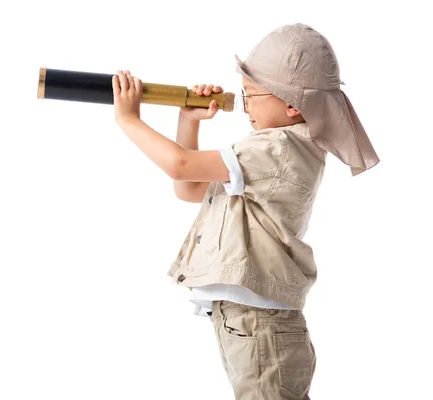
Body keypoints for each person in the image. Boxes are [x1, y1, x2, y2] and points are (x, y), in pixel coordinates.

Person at [112, 22, 379, 399]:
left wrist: (128, 119)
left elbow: (180, 166)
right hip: (248, 322)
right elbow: (187, 189)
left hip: (261, 325)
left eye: (252, 94)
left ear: (291, 104)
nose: (244, 104)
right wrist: (187, 120)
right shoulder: (269, 151)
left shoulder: (277, 149)